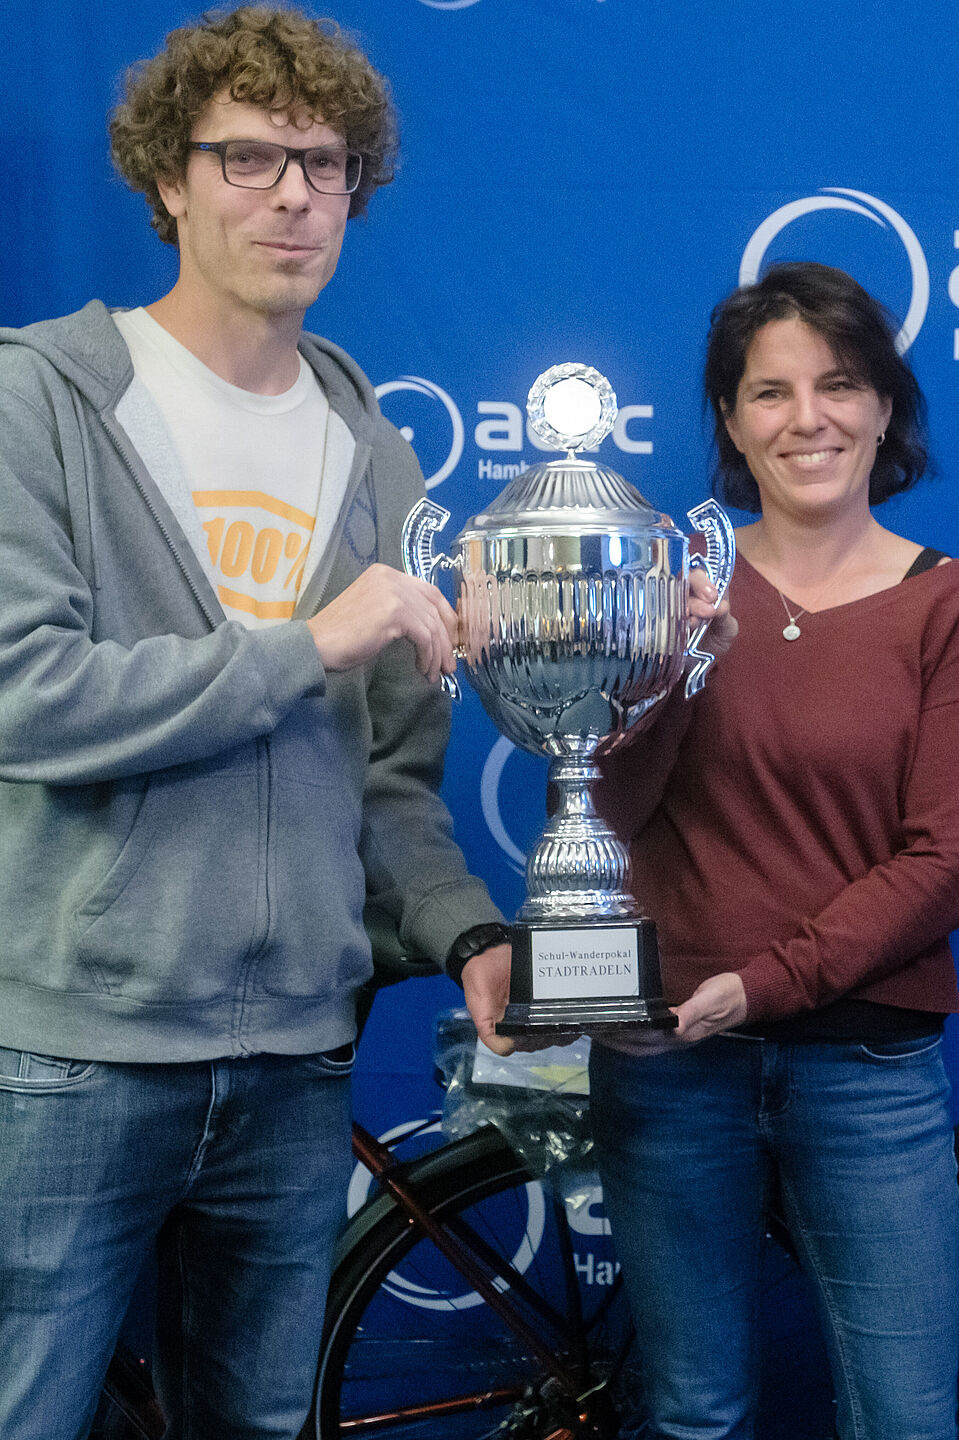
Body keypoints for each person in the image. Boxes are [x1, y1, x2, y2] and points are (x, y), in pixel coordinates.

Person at [0, 9, 512, 1438]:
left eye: (325, 163)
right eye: (247, 158)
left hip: (295, 1060)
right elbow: (23, 695)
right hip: (72, 1051)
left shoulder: (376, 454)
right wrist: (308, 641)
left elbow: (390, 788)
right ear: (167, 178)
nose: (291, 194)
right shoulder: (33, 400)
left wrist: (463, 929)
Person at [589, 261, 959, 1440]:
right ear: (730, 423)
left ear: (886, 408)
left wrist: (763, 985)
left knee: (902, 1419)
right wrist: (667, 678)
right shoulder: (662, 590)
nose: (807, 419)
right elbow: (609, 811)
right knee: (694, 1414)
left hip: (865, 1070)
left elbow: (940, 859)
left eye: (839, 385)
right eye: (768, 393)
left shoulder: (940, 605)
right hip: (667, 1067)